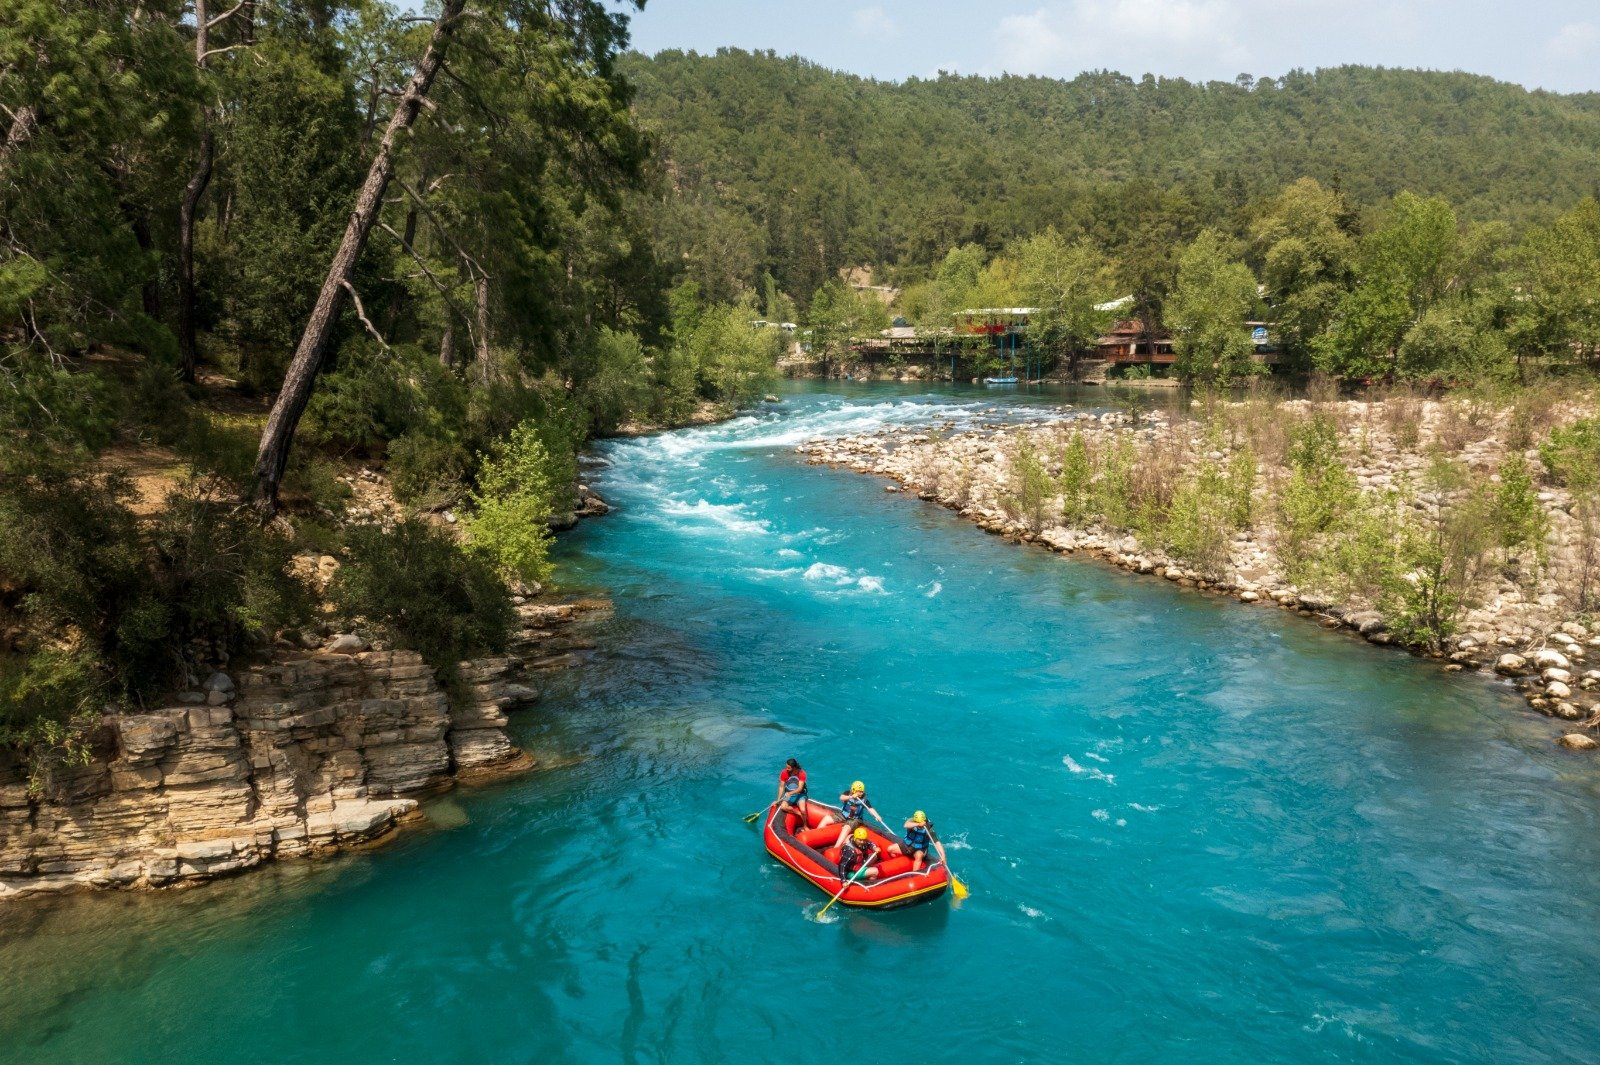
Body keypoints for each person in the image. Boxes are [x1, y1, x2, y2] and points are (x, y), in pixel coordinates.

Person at [821, 780, 889, 848]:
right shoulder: (848, 793)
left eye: (862, 791)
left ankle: (836, 847)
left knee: (846, 827)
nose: (861, 793)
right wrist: (851, 797)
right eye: (859, 791)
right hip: (844, 815)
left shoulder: (864, 800)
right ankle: (815, 834)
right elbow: (841, 797)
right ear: (853, 790)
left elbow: (870, 809)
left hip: (855, 819)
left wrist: (877, 816)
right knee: (826, 818)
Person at [890, 810, 947, 874]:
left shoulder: (928, 830)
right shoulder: (912, 821)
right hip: (907, 845)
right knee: (890, 849)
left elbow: (937, 843)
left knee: (919, 856)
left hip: (920, 849)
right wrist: (918, 824)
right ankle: (898, 862)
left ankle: (914, 874)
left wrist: (943, 856)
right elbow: (905, 825)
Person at [775, 758, 808, 828]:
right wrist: (778, 800)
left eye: (788, 768)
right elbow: (781, 787)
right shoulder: (784, 772)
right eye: (786, 767)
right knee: (783, 807)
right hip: (789, 795)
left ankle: (805, 826)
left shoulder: (802, 773)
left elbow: (800, 789)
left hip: (800, 795)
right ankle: (798, 813)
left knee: (803, 810)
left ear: (794, 767)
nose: (786, 769)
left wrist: (790, 793)